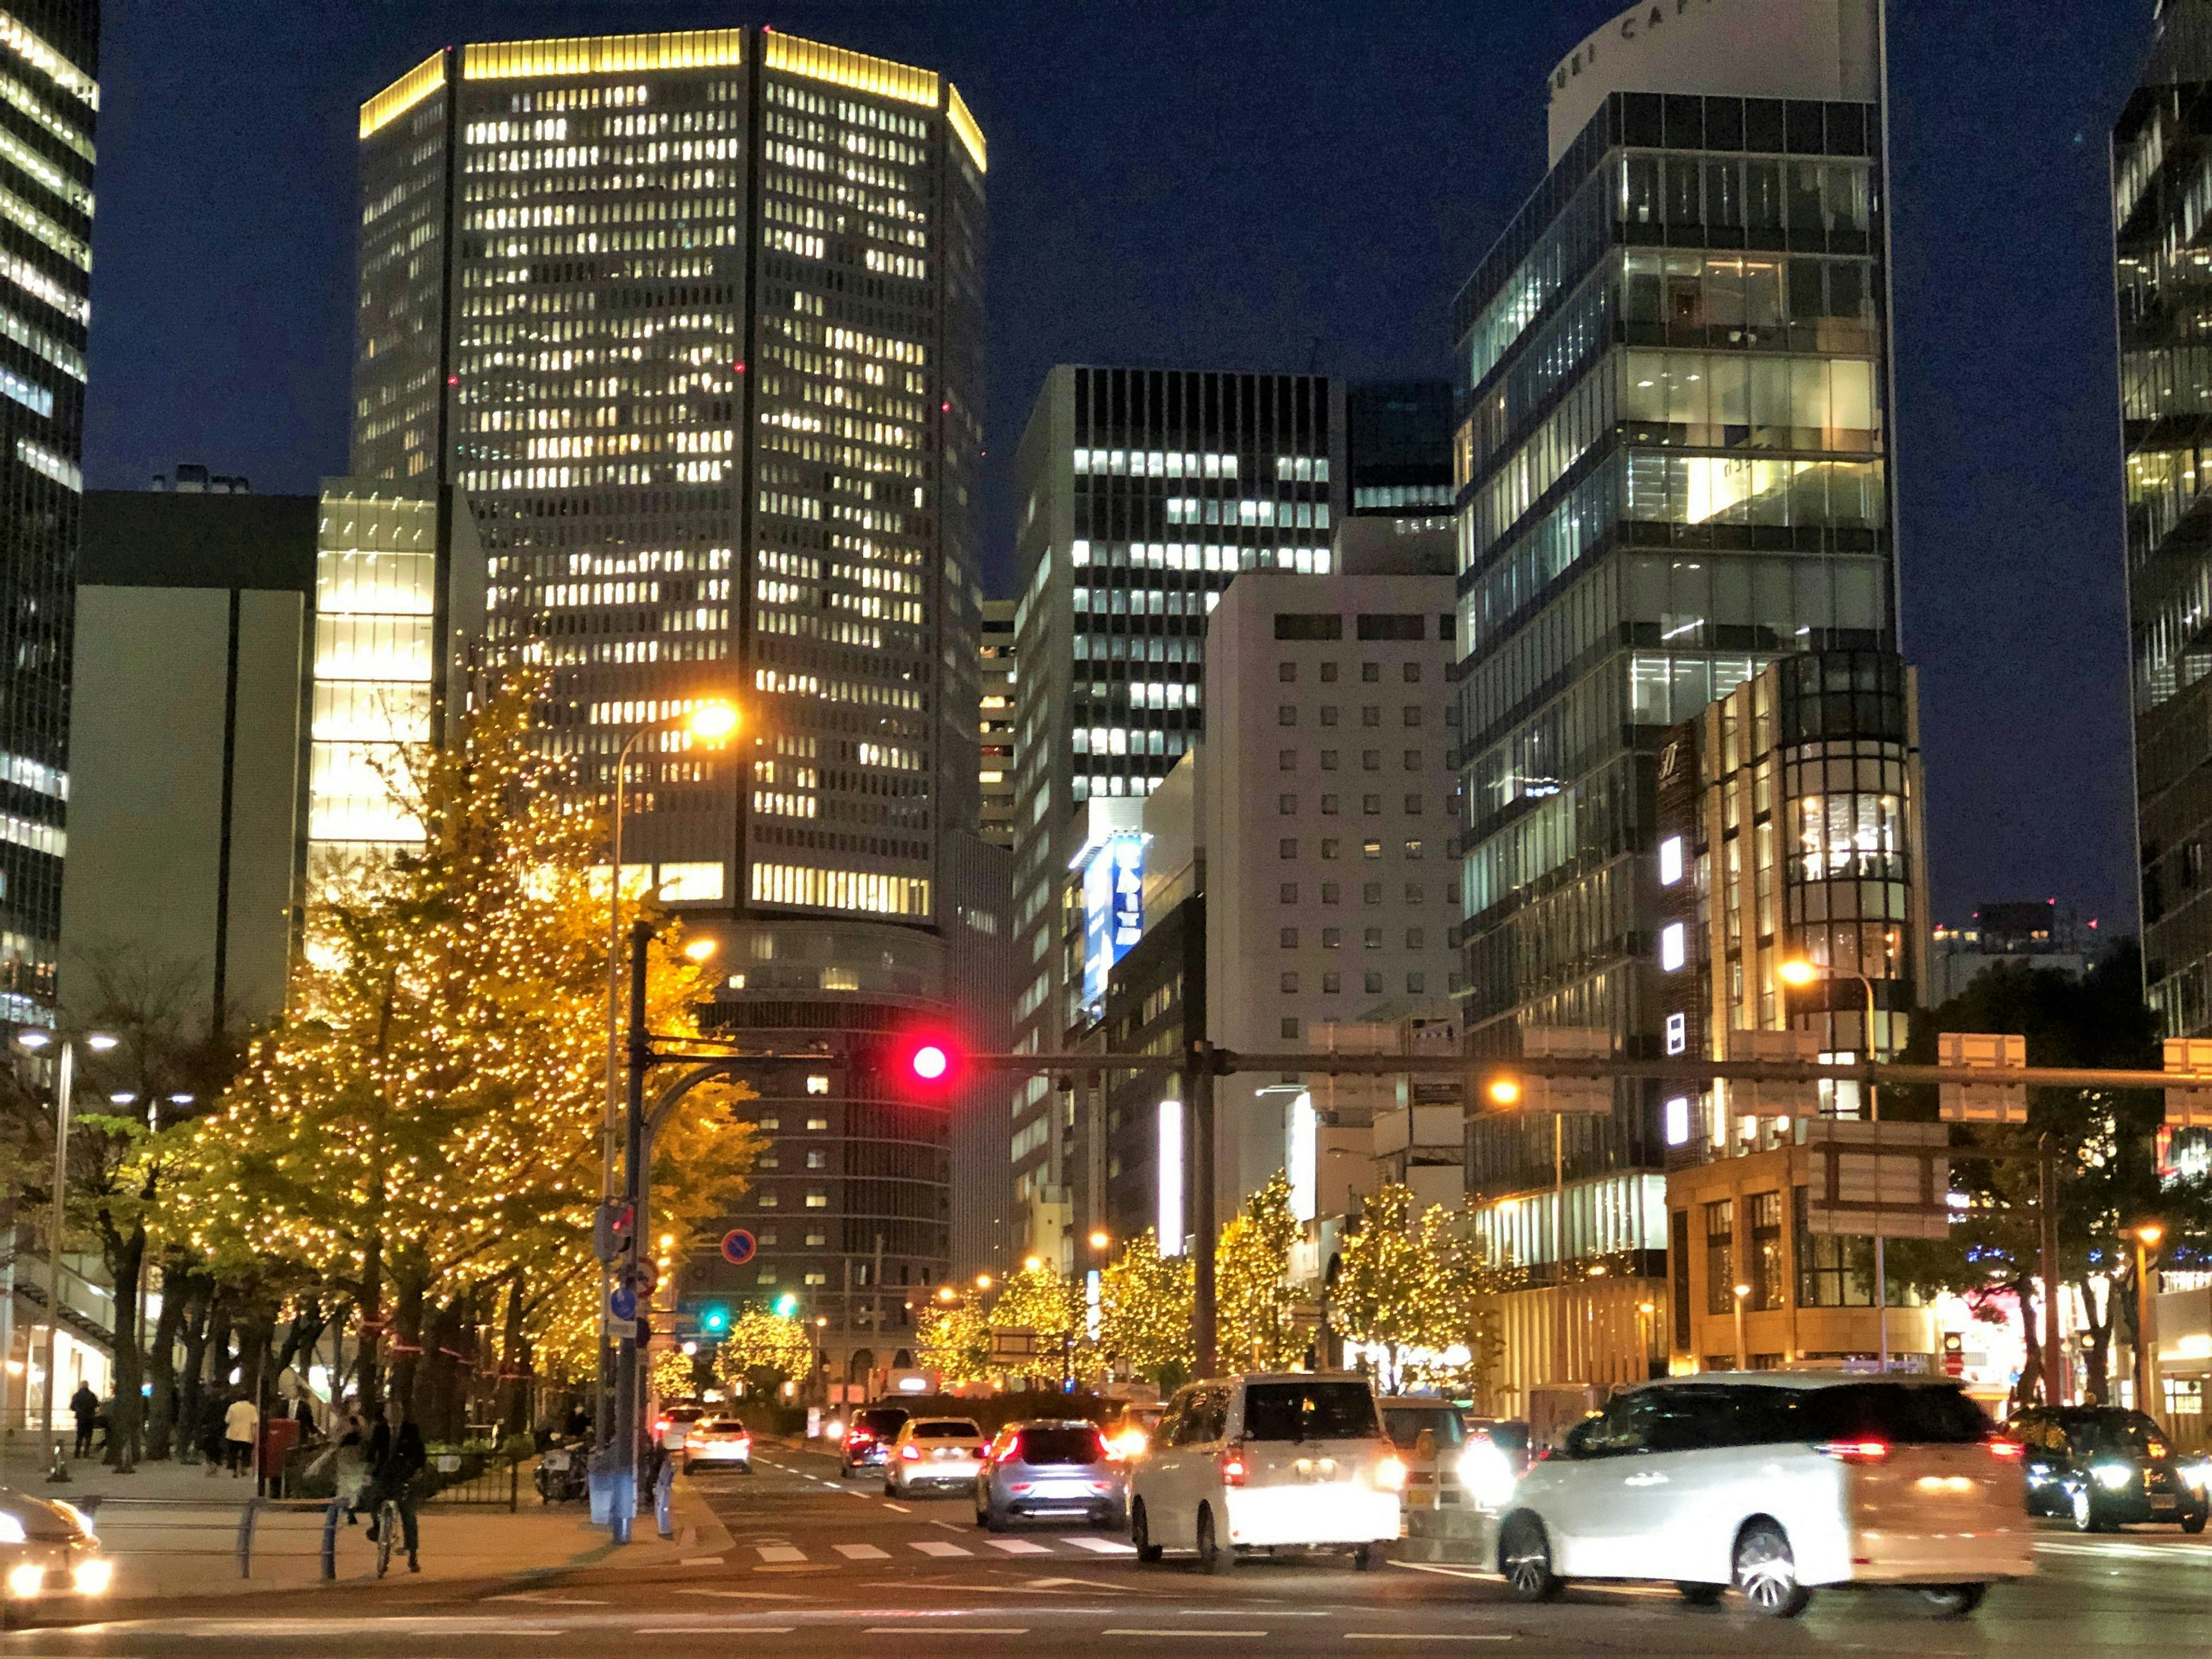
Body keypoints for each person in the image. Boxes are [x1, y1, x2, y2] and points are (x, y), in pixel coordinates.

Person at [361, 1396, 426, 1571]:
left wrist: (417, 1469)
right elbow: (371, 1451)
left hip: (403, 1475)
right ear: (385, 1414)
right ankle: (377, 1527)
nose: (394, 1415)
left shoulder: (411, 1430)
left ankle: (412, 1555)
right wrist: (368, 1469)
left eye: (397, 1412)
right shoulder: (380, 1430)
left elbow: (420, 1452)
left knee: (408, 1514)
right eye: (391, 1412)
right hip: (383, 1474)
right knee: (372, 1500)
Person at [223, 1391, 259, 1477]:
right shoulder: (252, 1408)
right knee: (245, 1454)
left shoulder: (233, 1407)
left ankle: (235, 1471)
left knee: (233, 1453)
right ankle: (243, 1469)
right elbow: (255, 1422)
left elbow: (227, 1420)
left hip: (233, 1434)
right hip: (247, 1435)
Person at [67, 1382, 96, 1459]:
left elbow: (72, 1406)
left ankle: (77, 1453)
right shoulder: (92, 1395)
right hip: (90, 1418)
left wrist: (78, 1410)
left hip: (80, 1418)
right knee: (88, 1437)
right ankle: (86, 1453)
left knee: (79, 1436)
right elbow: (96, 1405)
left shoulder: (77, 1396)